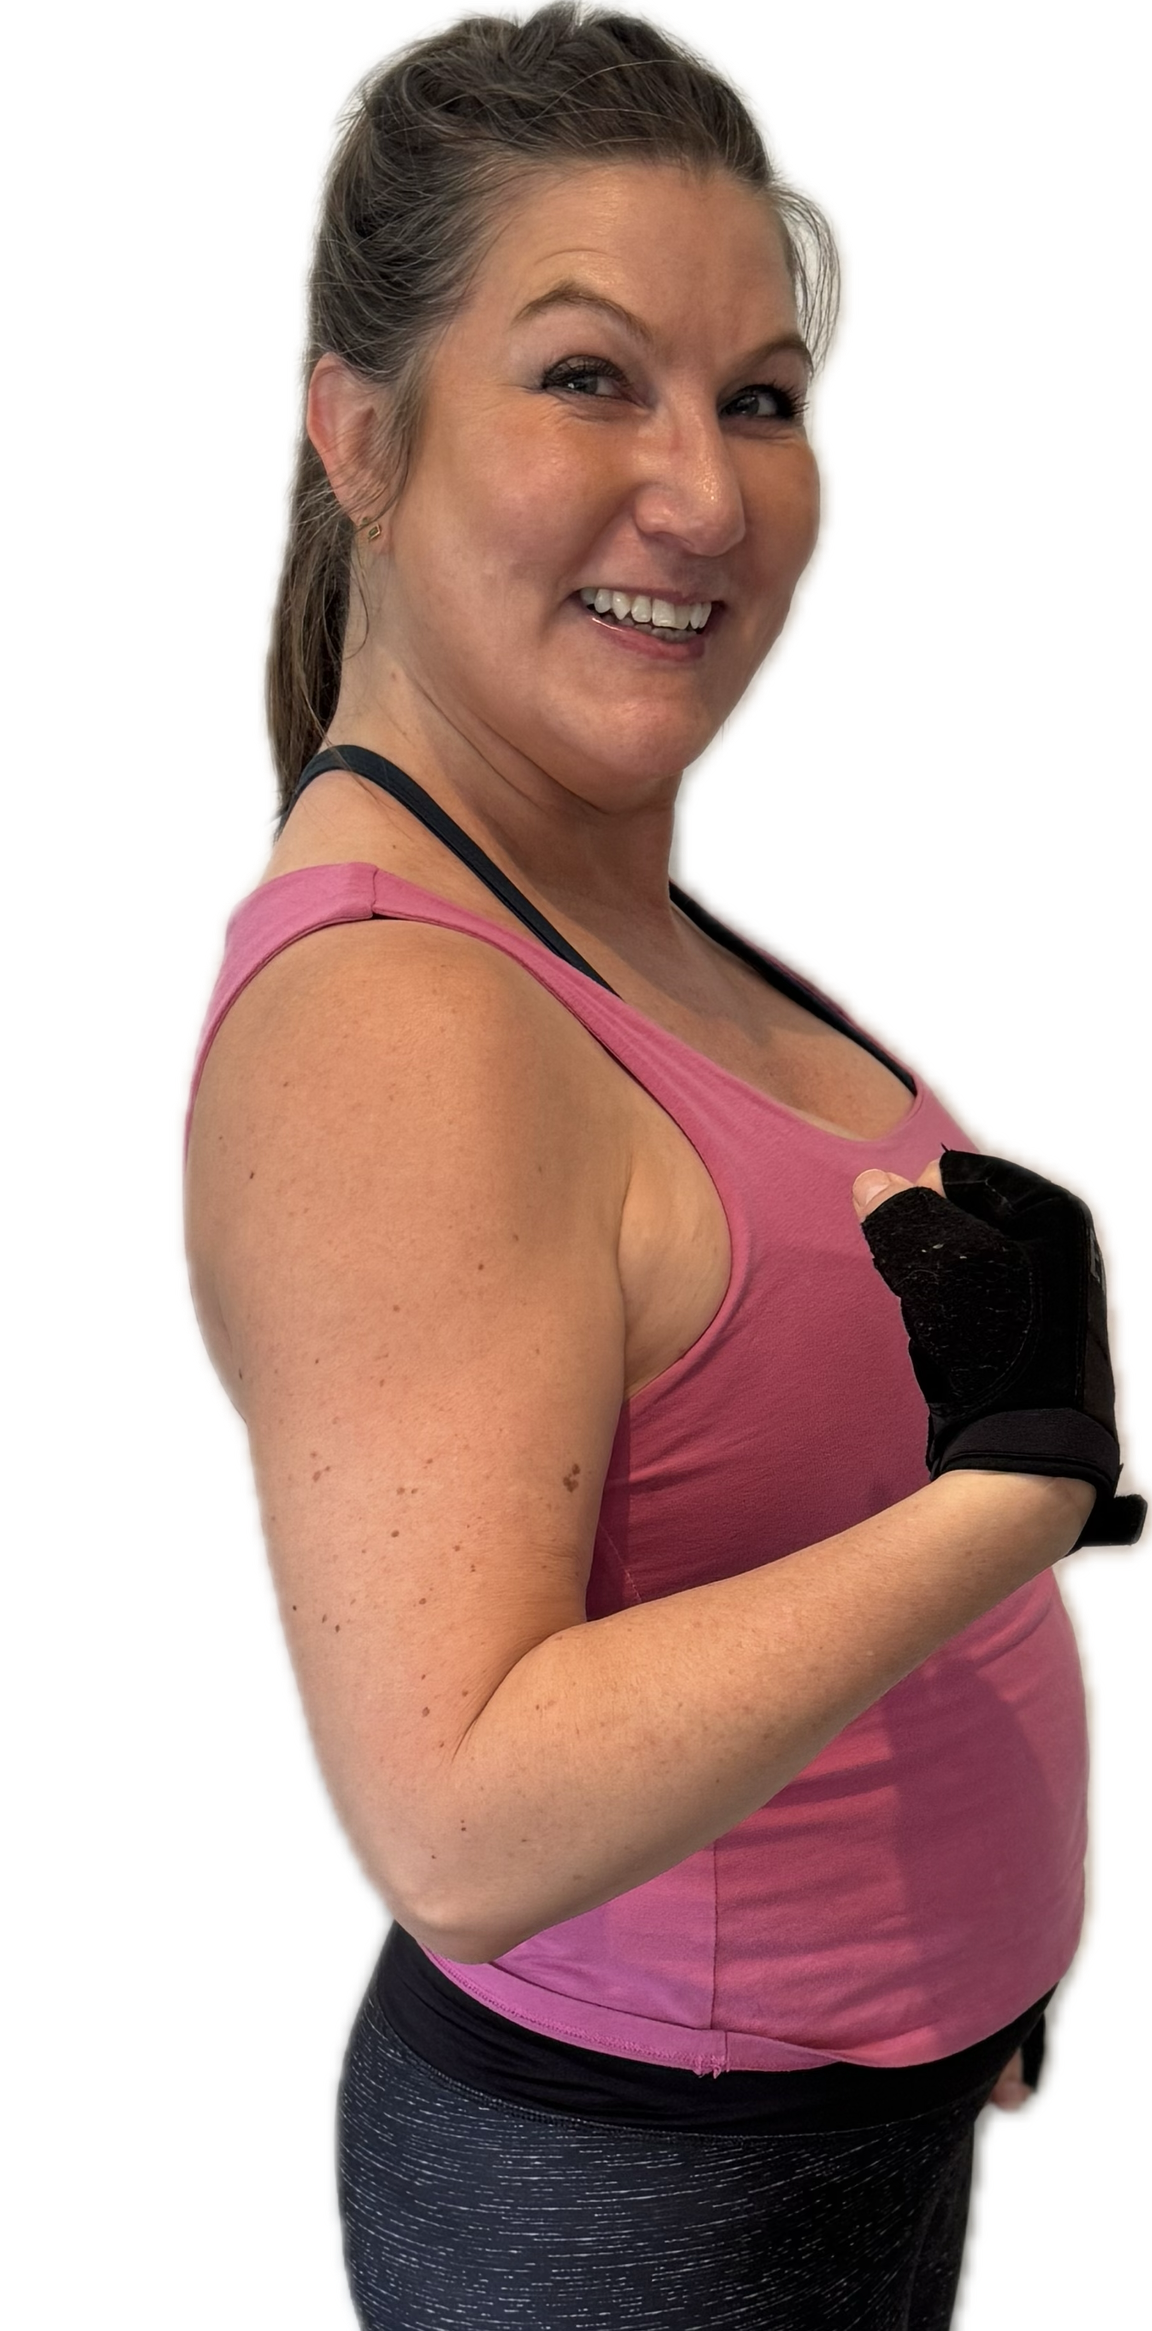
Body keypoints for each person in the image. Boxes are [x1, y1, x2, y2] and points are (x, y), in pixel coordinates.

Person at [173, 5, 1143, 2326]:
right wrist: (1009, 1502)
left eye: (763, 398)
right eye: (591, 376)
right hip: (640, 2214)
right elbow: (462, 1818)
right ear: (358, 428)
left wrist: (967, 1942)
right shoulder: (399, 1012)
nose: (705, 492)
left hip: (806, 2141)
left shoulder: (600, 894)